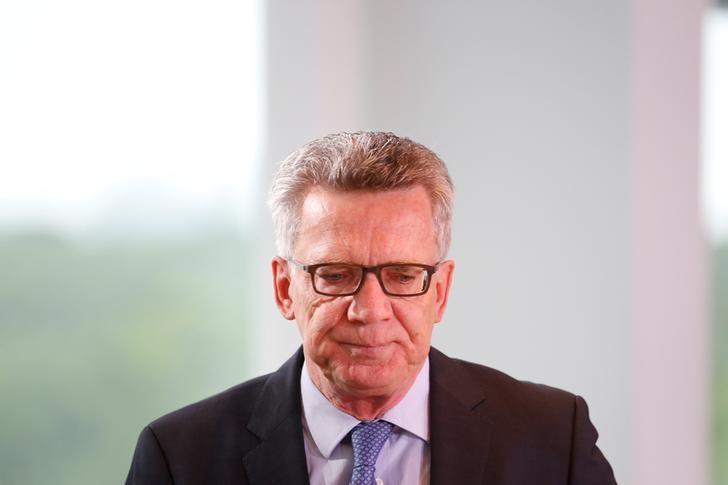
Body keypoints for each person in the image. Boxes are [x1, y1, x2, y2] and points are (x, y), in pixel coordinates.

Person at [125, 131, 617, 484]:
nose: (369, 310)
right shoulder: (180, 457)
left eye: (402, 276)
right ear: (283, 288)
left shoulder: (553, 437)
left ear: (440, 291)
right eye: (335, 275)